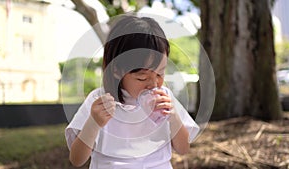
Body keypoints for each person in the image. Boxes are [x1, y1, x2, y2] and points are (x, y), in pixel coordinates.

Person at [65, 14, 200, 169]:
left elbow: (183, 149)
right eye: (142, 78)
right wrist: (93, 124)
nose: (154, 84)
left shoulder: (165, 98)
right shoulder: (99, 101)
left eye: (160, 74)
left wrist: (174, 117)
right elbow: (76, 159)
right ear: (116, 70)